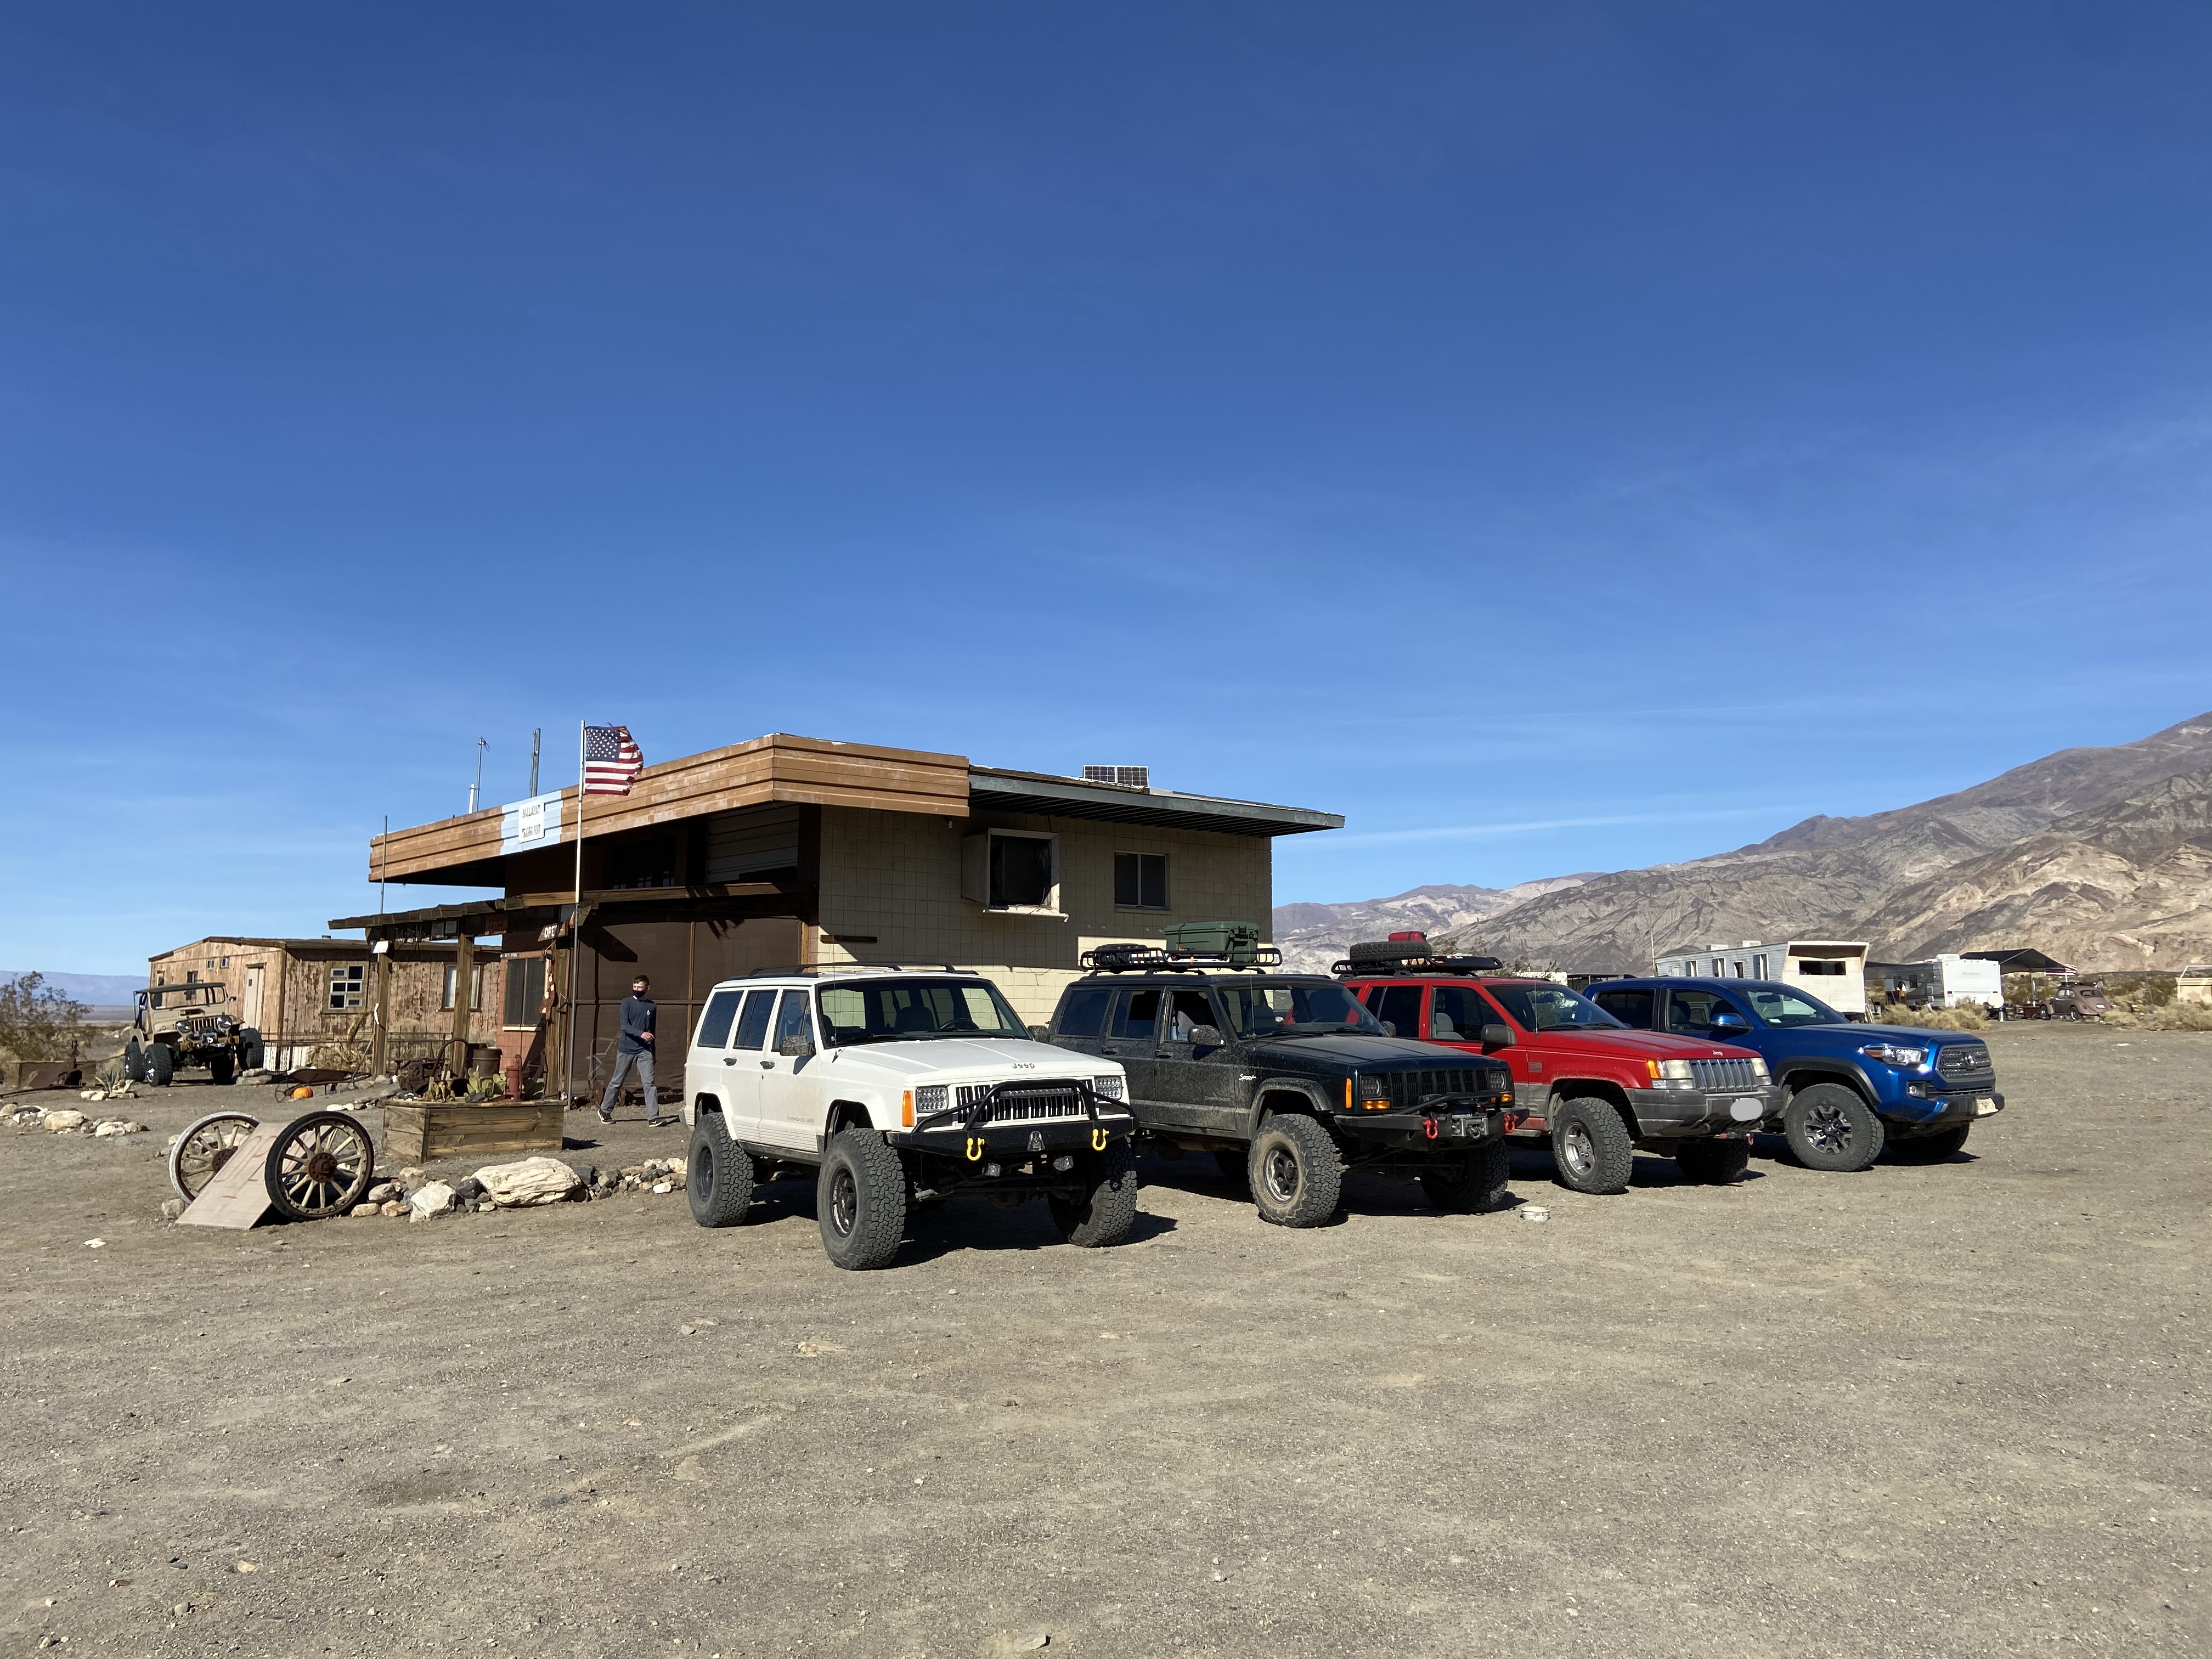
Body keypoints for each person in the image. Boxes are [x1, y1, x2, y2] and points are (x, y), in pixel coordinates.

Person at [599, 974, 668, 1126]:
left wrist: (653, 1052)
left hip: (645, 1050)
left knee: (649, 1083)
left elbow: (652, 1030)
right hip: (627, 1049)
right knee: (618, 1081)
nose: (637, 990)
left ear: (647, 988)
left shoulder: (652, 1006)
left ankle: (653, 1117)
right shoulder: (627, 1003)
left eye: (640, 987)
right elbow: (625, 1026)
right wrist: (641, 1034)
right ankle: (605, 1110)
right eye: (635, 987)